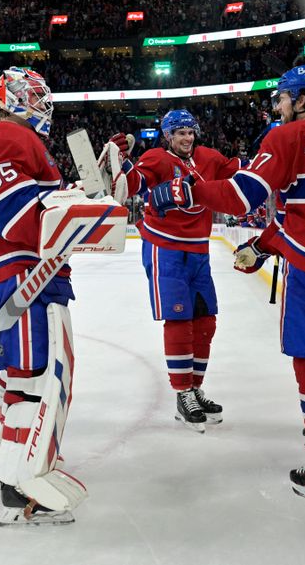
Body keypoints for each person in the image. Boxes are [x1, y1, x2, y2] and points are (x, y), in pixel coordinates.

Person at [149, 64, 305, 508]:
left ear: (300, 99)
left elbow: (242, 195)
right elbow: (301, 206)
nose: (277, 105)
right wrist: (265, 246)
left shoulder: (286, 138)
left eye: (282, 97)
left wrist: (191, 194)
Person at [0, 67, 87, 525]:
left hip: (8, 275)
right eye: (35, 96)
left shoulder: (4, 138)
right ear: (13, 98)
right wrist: (79, 215)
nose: (43, 105)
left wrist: (69, 201)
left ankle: (2, 457)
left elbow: (29, 205)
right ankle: (23, 486)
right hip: (21, 276)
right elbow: (10, 213)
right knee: (37, 380)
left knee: (21, 375)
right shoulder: (8, 135)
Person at [106, 109, 240, 432]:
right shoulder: (157, 158)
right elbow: (134, 185)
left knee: (205, 320)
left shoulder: (207, 157)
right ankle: (182, 393)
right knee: (179, 319)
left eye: (190, 133)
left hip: (199, 251)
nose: (187, 138)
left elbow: (239, 173)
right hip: (165, 249)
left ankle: (194, 388)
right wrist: (120, 162)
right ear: (168, 135)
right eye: (180, 133)